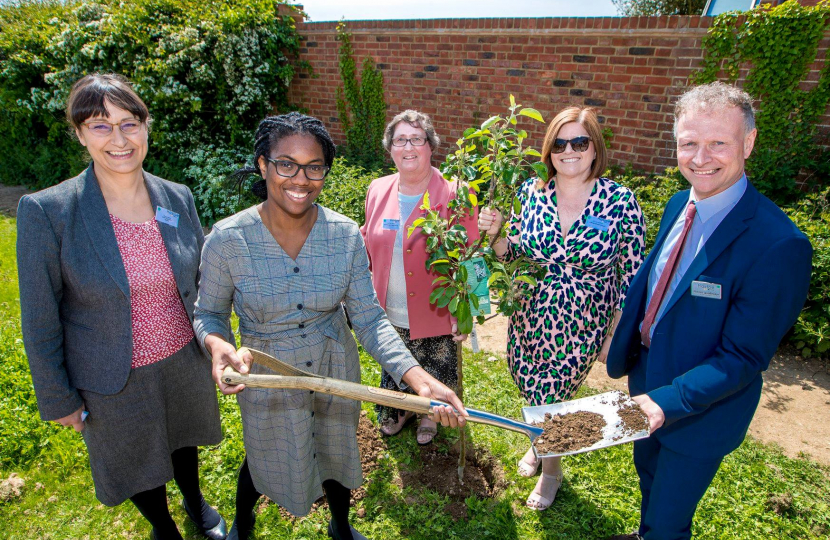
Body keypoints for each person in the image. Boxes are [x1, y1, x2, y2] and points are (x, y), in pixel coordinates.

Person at [193, 112, 467, 540]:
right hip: (271, 377)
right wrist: (215, 342)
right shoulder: (228, 239)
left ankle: (340, 524)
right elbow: (208, 312)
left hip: (334, 366)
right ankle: (243, 525)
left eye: (314, 167)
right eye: (286, 164)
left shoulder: (344, 236)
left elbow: (369, 317)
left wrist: (417, 378)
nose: (300, 179)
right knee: (264, 455)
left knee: (337, 452)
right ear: (264, 165)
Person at [16, 74, 225, 540]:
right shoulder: (49, 212)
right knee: (135, 462)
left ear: (146, 127)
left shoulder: (176, 196)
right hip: (112, 375)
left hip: (180, 359)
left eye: (129, 123)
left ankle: (194, 501)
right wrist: (58, 396)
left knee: (182, 441)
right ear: (79, 133)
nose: (118, 139)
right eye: (99, 125)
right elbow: (39, 317)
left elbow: (197, 284)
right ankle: (163, 527)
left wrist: (216, 341)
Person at [605, 82, 812, 540]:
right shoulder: (680, 202)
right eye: (689, 143)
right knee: (649, 479)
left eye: (718, 142)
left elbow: (743, 356)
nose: (701, 158)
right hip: (646, 380)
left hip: (700, 409)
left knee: (670, 519)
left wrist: (667, 401)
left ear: (749, 143)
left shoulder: (779, 245)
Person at [478, 106, 645, 510]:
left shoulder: (620, 201)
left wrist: (615, 333)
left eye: (580, 142)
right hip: (530, 315)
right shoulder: (532, 195)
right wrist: (497, 233)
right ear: (549, 150)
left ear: (594, 149)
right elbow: (514, 259)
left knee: (554, 397)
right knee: (530, 386)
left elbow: (634, 274)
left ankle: (551, 471)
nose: (569, 150)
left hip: (584, 323)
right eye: (560, 143)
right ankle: (541, 445)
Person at [361, 110, 479, 445]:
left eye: (417, 138)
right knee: (397, 361)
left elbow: (472, 255)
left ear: (430, 146)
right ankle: (402, 409)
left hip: (436, 311)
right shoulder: (377, 189)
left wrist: (467, 312)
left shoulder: (456, 193)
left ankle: (430, 413)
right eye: (400, 139)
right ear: (390, 149)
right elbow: (368, 240)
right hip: (388, 307)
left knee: (434, 364)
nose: (408, 146)